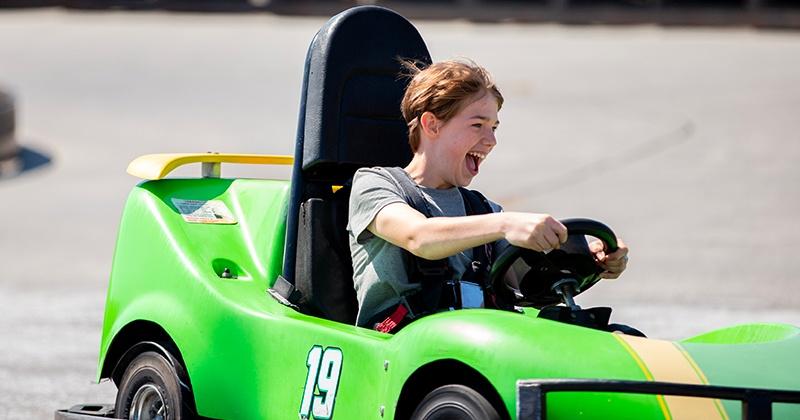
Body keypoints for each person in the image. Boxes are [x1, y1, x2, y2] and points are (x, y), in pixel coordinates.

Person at [347, 59, 629, 332]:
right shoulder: (375, 185)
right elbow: (418, 237)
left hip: (477, 343)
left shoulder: (482, 210)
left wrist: (588, 262)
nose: (491, 141)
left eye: (493, 128)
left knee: (619, 334)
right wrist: (506, 224)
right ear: (432, 125)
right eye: (477, 125)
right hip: (405, 345)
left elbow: (529, 282)